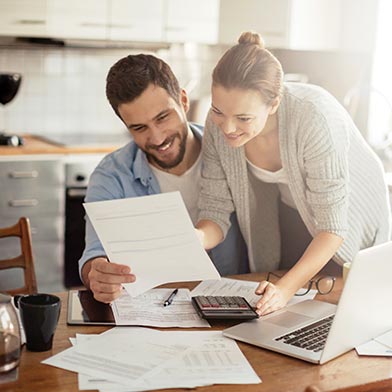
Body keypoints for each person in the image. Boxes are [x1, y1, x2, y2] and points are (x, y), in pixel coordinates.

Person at [196, 31, 391, 316]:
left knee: (340, 302)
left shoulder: (315, 117)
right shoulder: (217, 127)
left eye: (243, 118)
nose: (226, 128)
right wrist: (194, 238)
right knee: (286, 305)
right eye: (218, 111)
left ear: (274, 103)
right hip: (291, 207)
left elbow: (332, 228)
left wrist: (285, 290)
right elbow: (214, 210)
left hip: (348, 215)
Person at [79, 54, 248, 303]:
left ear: (183, 100)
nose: (157, 138)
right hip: (154, 308)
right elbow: (94, 254)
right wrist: (98, 274)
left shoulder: (230, 151)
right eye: (139, 128)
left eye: (162, 118)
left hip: (234, 303)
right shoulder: (111, 175)